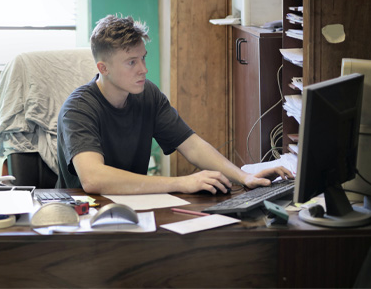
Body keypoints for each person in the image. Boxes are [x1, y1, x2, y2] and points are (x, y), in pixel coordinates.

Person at [56, 14, 293, 195]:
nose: (144, 69)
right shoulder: (77, 109)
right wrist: (181, 182)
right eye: (131, 62)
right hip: (84, 217)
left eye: (143, 58)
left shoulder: (147, 93)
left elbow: (191, 145)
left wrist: (243, 177)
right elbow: (92, 178)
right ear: (103, 69)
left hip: (134, 206)